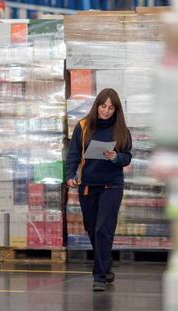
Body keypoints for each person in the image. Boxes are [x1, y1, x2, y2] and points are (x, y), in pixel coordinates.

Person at [66, 88, 132, 292]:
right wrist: (70, 175)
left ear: (116, 109)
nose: (106, 111)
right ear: (97, 105)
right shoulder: (83, 126)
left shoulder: (121, 130)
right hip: (88, 185)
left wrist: (116, 158)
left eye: (111, 108)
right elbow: (73, 154)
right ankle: (106, 264)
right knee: (92, 228)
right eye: (103, 106)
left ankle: (99, 277)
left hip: (111, 185)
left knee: (103, 229)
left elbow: (127, 157)